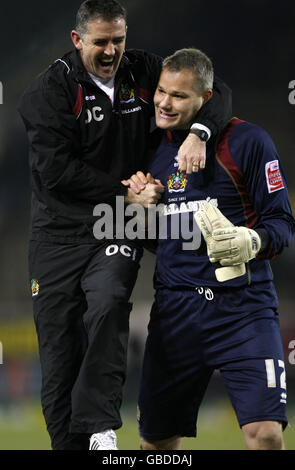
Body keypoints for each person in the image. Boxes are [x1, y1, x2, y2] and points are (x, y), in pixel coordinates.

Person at [17, 0, 232, 451]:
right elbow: (55, 172)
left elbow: (217, 93)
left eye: (119, 39)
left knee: (111, 297)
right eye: (101, 42)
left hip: (117, 224)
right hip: (57, 236)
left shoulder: (144, 71)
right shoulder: (47, 93)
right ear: (77, 41)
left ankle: (100, 425)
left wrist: (199, 133)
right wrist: (124, 190)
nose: (112, 51)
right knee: (59, 360)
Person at [133, 48, 295, 450]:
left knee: (267, 435)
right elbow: (161, 238)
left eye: (179, 96)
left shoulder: (249, 141)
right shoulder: (153, 150)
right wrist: (139, 212)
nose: (165, 103)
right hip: (176, 312)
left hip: (244, 309)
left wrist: (251, 241)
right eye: (161, 92)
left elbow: (282, 222)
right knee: (156, 443)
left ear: (206, 98)